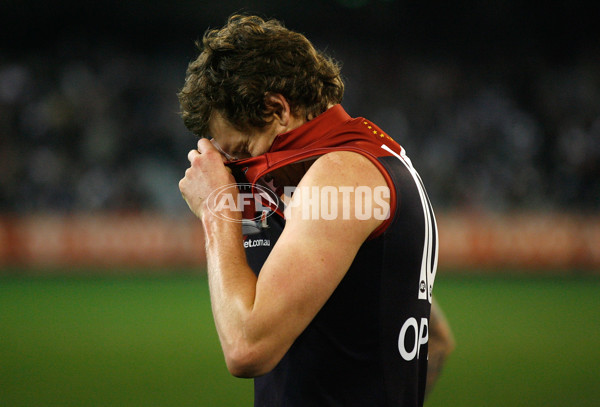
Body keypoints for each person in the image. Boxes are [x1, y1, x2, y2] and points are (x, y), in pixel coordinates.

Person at [178, 14, 452, 406]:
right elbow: (436, 338)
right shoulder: (372, 160)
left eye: (240, 149)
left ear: (278, 109)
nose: (237, 164)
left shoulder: (342, 175)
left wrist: (215, 208)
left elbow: (246, 348)